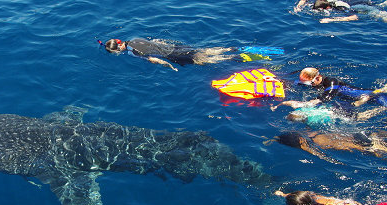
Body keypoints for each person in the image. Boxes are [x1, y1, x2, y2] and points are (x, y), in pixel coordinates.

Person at [104, 38, 269, 71]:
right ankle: (231, 49)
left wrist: (169, 66)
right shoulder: (134, 39)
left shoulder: (133, 52)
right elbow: (156, 40)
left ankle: (232, 57)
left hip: (173, 57)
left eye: (115, 53)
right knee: (203, 51)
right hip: (176, 47)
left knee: (204, 61)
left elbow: (153, 59)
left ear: (118, 49)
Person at [271, 67, 387, 111]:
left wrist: (304, 104)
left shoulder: (332, 82)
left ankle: (383, 90)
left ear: (317, 78)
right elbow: (294, 83)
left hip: (367, 96)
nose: (305, 84)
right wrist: (277, 80)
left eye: (307, 83)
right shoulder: (312, 82)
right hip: (346, 98)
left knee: (380, 99)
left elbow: (327, 97)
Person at [276, 129, 387, 161]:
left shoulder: (316, 145)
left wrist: (368, 150)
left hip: (363, 143)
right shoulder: (312, 134)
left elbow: (343, 145)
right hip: (360, 134)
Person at [294, 0, 379, 23]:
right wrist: (298, 6)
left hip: (361, 4)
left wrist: (331, 20)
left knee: (380, 15)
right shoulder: (322, 2)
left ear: (327, 7)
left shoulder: (339, 7)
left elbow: (354, 17)